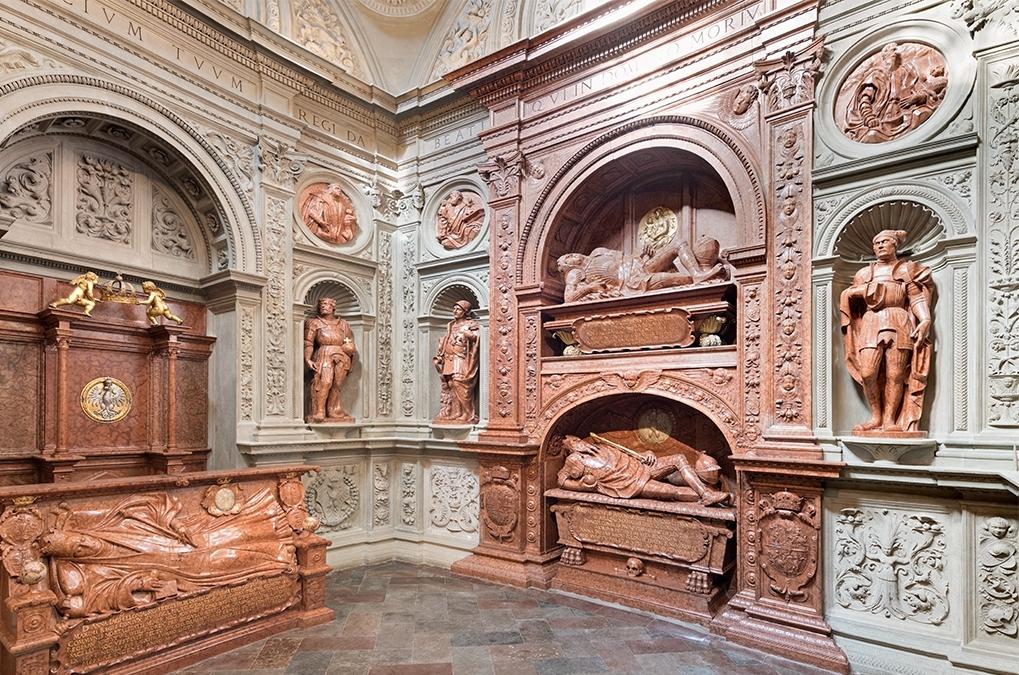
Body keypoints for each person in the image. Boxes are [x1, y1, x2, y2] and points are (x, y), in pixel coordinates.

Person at [840, 229, 933, 433]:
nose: (880, 245)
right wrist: (862, 291)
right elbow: (850, 295)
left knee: (896, 374)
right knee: (867, 373)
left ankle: (889, 420)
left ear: (895, 245)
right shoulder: (864, 273)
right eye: (877, 243)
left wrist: (925, 319)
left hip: (898, 319)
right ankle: (876, 417)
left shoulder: (905, 270)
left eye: (885, 241)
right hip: (872, 321)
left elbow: (916, 297)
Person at [556, 434, 731, 506]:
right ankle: (718, 498)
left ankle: (707, 494)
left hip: (641, 466)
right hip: (630, 484)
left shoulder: (599, 445)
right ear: (570, 449)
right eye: (574, 442)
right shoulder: (574, 460)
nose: (579, 442)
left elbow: (625, 453)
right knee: (672, 491)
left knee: (678, 458)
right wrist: (581, 487)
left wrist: (645, 453)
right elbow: (561, 480)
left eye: (578, 439)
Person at [304, 298, 357, 423]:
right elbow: (308, 343)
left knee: (337, 384)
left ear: (333, 307)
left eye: (326, 304)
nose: (322, 306)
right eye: (321, 305)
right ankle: (319, 410)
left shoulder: (343, 324)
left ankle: (332, 410)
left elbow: (349, 340)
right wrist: (307, 358)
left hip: (342, 356)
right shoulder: (314, 323)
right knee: (325, 382)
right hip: (325, 353)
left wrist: (350, 349)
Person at [433, 300, 481, 423]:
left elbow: (478, 337)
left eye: (458, 309)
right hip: (449, 358)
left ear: (465, 312)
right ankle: (457, 412)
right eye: (454, 308)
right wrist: (441, 355)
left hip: (461, 358)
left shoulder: (471, 324)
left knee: (460, 384)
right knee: (451, 384)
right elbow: (446, 339)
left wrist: (470, 335)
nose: (455, 311)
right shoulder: (451, 325)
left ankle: (468, 414)